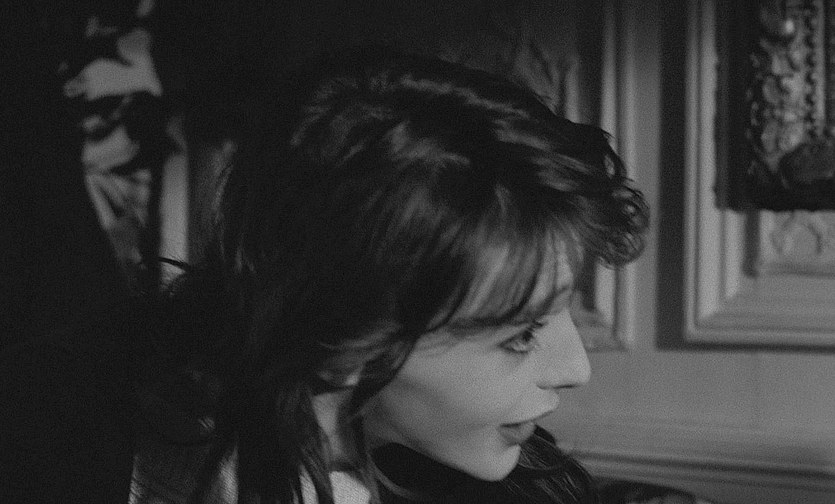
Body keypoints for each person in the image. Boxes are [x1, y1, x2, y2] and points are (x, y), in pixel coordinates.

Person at [0, 47, 647, 504]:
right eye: (521, 334)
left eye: (563, 311)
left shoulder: (519, 487)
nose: (576, 368)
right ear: (344, 333)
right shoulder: (53, 438)